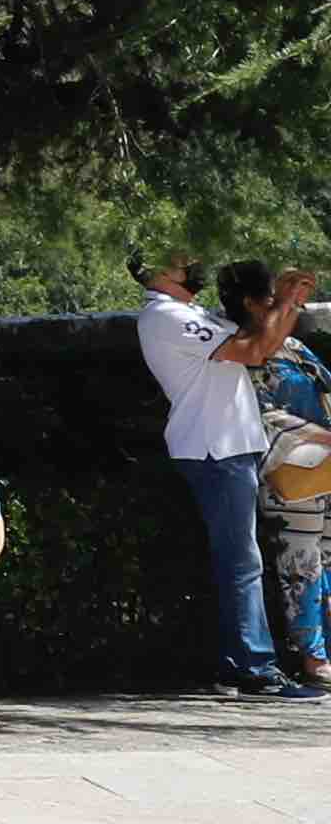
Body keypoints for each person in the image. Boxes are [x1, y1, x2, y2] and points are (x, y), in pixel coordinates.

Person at [137, 256, 310, 697]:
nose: (192, 266)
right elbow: (255, 351)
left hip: (227, 447)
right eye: (179, 264)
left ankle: (241, 661)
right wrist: (285, 302)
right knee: (241, 561)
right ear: (154, 272)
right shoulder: (169, 317)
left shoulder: (188, 314)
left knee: (238, 559)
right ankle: (251, 667)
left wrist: (287, 305)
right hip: (216, 449)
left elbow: (259, 341)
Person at [237, 264, 331, 690]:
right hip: (287, 470)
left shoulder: (295, 348)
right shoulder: (243, 349)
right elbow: (261, 415)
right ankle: (314, 658)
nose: (293, 304)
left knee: (325, 561)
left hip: (326, 464)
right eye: (285, 295)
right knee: (302, 565)